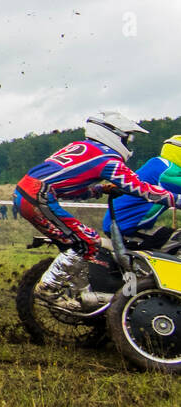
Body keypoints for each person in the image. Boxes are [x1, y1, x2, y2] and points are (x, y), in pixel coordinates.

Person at [15, 113, 178, 313]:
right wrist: (174, 199)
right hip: (38, 196)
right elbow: (139, 187)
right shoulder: (107, 158)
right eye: (126, 138)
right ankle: (49, 289)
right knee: (87, 241)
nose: (127, 143)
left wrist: (99, 190)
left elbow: (67, 184)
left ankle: (80, 291)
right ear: (113, 134)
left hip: (25, 192)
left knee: (78, 242)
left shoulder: (83, 148)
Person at [100, 134, 181, 249]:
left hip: (123, 225)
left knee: (172, 237)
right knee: (175, 242)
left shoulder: (158, 164)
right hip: (126, 228)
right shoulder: (166, 172)